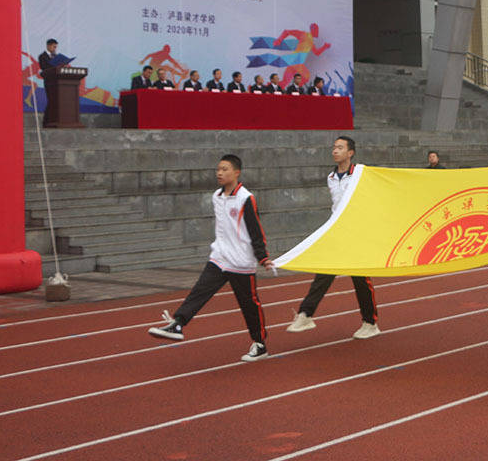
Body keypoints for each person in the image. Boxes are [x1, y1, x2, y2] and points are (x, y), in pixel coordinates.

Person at [147, 154, 272, 361]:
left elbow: (255, 230)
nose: (219, 173)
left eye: (224, 169)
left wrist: (263, 257)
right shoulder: (217, 196)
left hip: (240, 262)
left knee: (249, 305)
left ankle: (260, 344)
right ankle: (178, 323)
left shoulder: (245, 198)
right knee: (199, 291)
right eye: (218, 170)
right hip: (219, 257)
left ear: (236, 173)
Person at [287, 136, 380, 339]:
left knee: (361, 280)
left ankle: (370, 322)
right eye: (334, 147)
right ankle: (306, 314)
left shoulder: (361, 174)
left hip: (356, 233)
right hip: (337, 233)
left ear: (350, 152)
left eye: (340, 147)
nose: (335, 151)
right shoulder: (331, 177)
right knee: (324, 271)